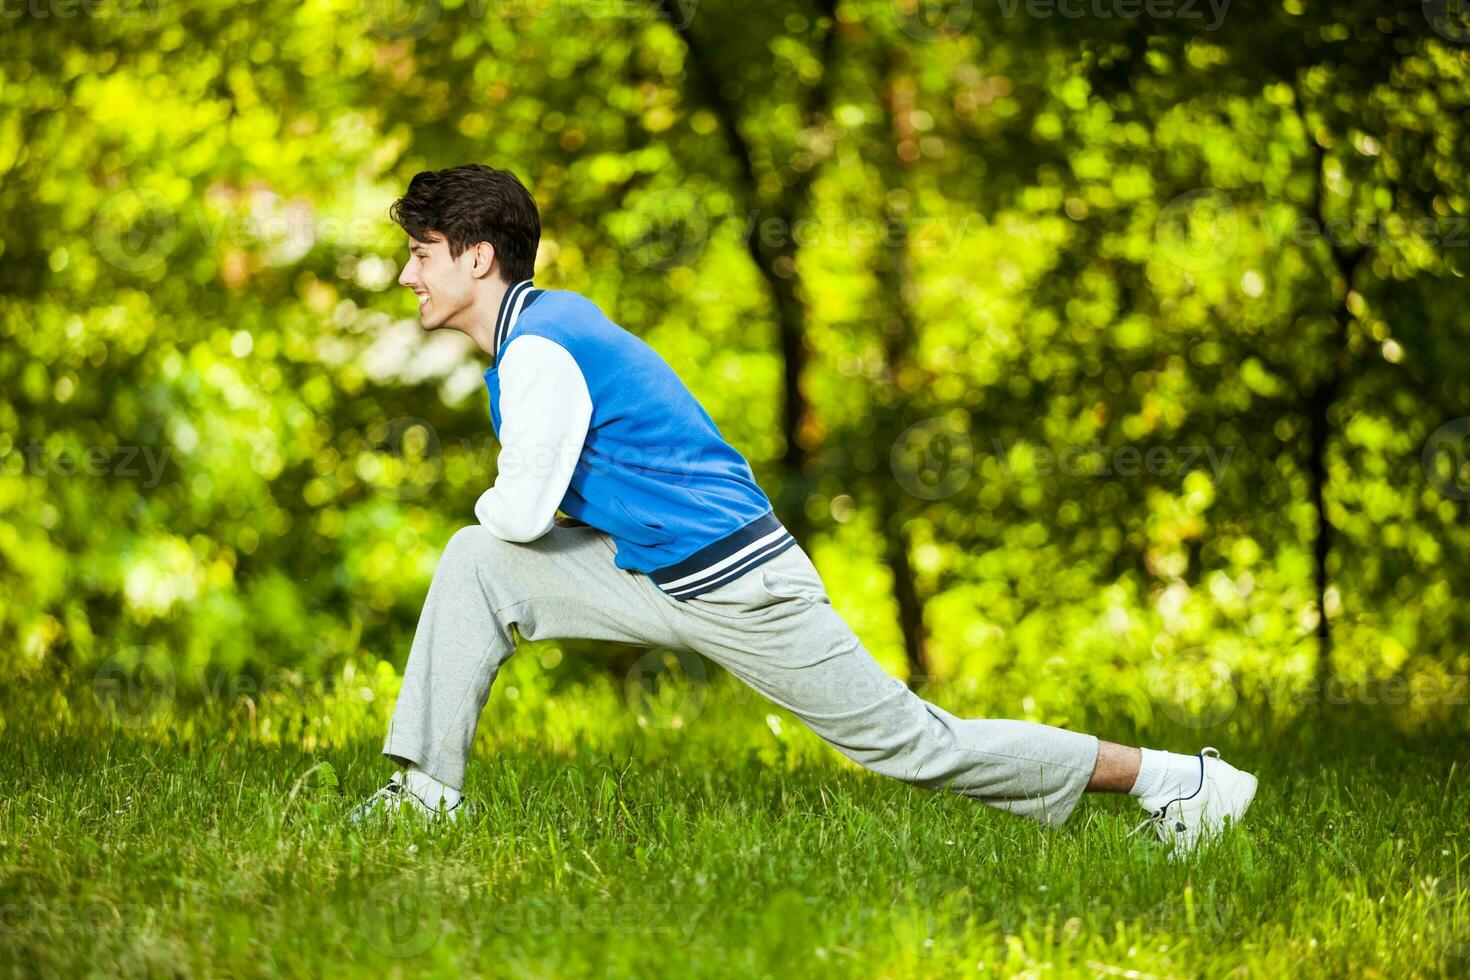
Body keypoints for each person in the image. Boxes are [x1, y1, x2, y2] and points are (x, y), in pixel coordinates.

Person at [349, 163, 1258, 855]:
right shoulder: (537, 334)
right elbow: (525, 529)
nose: (407, 277)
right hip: (652, 571)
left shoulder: (543, 350)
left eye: (421, 256)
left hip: (741, 588)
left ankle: (1182, 783)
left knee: (912, 745)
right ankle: (427, 794)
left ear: (477, 257)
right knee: (476, 563)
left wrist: (500, 506)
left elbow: (518, 512)